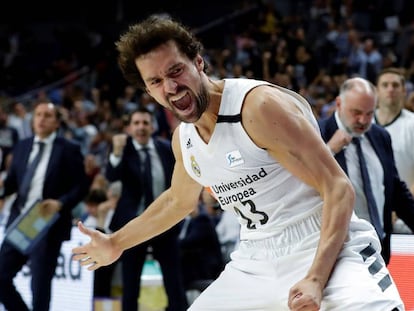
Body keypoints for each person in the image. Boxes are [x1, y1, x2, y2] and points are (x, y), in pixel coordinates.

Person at [73, 15, 404, 310]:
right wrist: (116, 242)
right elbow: (177, 201)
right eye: (155, 82)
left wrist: (316, 279)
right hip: (256, 258)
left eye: (176, 70)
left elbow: (338, 187)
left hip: (324, 243)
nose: (170, 87)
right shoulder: (183, 138)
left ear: (198, 63)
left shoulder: (257, 107)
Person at [0, 101, 89, 311]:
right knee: (1, 276)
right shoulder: (22, 146)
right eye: (38, 115)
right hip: (21, 220)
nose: (41, 119)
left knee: (40, 285)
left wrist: (61, 203)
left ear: (57, 123)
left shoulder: (68, 149)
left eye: (47, 116)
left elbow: (81, 185)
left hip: (47, 221)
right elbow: (13, 181)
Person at [318, 77, 414, 265]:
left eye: (370, 113)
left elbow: (395, 190)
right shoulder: (317, 134)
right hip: (336, 251)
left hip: (379, 248)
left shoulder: (380, 135)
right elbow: (301, 185)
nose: (363, 120)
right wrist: (329, 150)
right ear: (339, 104)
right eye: (356, 112)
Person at [104, 106, 187, 311]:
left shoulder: (165, 148)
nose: (141, 127)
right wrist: (116, 152)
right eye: (137, 123)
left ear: (152, 126)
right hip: (134, 225)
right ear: (130, 128)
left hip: (165, 223)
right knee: (130, 285)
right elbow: (111, 175)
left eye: (145, 123)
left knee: (174, 283)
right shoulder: (123, 150)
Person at [374, 68, 414, 195]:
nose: (390, 89)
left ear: (404, 91)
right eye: (385, 85)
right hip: (366, 208)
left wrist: (405, 208)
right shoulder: (363, 123)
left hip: (404, 208)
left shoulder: (411, 124)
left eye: (395, 85)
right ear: (377, 91)